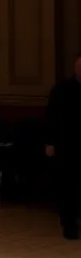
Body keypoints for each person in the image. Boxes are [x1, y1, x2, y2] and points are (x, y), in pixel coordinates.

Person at [44, 53, 81, 239]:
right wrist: (50, 142)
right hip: (67, 144)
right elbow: (51, 116)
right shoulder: (62, 89)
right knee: (68, 186)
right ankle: (69, 225)